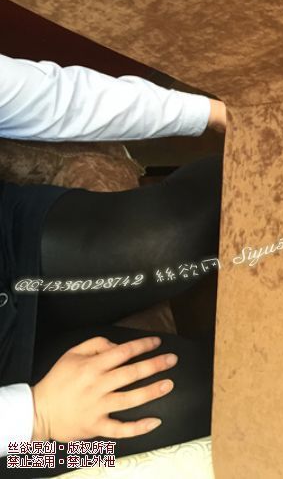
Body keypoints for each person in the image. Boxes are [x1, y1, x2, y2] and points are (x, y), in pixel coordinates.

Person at [0, 53, 226, 476]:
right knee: (195, 399)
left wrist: (209, 113)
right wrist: (36, 414)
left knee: (173, 234)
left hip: (11, 248)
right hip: (12, 443)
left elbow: (50, 97)